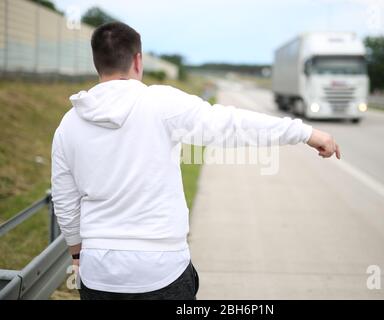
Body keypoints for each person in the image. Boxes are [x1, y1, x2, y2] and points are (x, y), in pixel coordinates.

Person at [51, 22, 340, 300]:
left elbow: (65, 199)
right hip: (162, 270)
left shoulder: (69, 123)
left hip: (99, 273)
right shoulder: (162, 103)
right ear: (137, 61)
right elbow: (231, 124)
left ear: (97, 63)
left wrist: (77, 254)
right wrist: (305, 132)